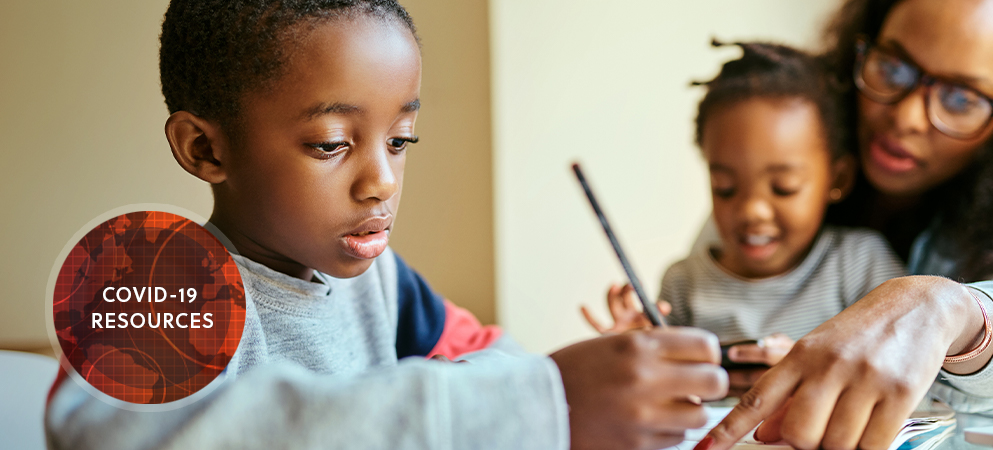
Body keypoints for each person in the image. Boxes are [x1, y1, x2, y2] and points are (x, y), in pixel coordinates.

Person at [45, 2, 729, 449]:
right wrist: (528, 405)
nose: (382, 182)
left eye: (400, 140)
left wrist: (574, 382)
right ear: (206, 149)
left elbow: (486, 355)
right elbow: (111, 432)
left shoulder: (386, 287)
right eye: (330, 144)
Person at [697, 0, 993, 449]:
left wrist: (949, 309)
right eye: (893, 67)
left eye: (961, 98)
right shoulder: (780, 163)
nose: (904, 117)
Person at [581, 43, 905, 389]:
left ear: (837, 179)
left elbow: (904, 367)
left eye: (784, 187)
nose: (752, 210)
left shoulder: (859, 264)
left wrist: (814, 371)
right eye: (725, 188)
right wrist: (636, 350)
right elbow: (663, 390)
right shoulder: (683, 285)